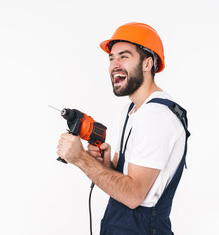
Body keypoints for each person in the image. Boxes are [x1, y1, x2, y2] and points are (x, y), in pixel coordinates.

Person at [56, 22, 190, 235]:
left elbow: (133, 196)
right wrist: (110, 164)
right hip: (119, 224)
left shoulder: (156, 117)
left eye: (124, 56)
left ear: (148, 63)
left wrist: (79, 157)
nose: (114, 65)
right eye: (111, 58)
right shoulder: (132, 110)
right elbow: (129, 179)